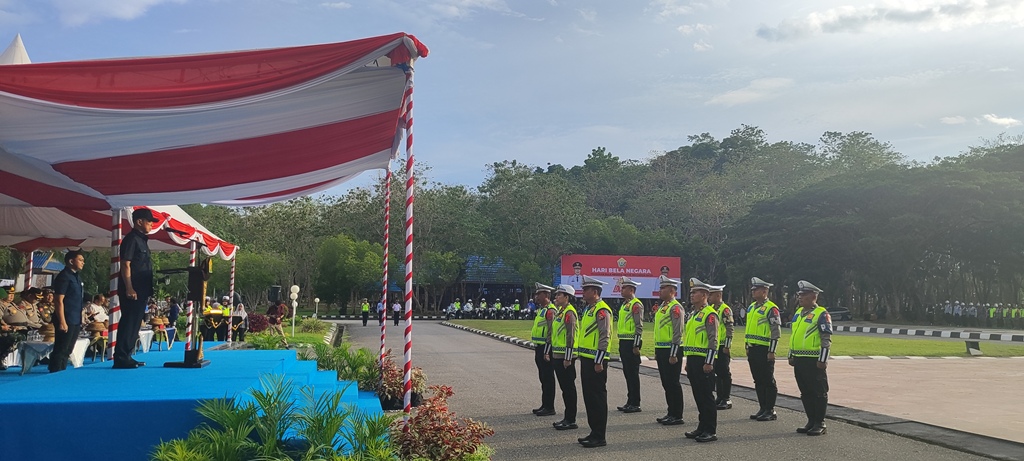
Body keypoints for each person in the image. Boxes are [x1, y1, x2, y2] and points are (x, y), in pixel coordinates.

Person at [114, 208, 158, 369]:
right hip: (133, 289)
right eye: (149, 221)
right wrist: (129, 287)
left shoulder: (142, 240)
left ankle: (127, 355)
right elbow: (125, 264)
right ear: (139, 221)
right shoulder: (132, 239)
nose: (152, 225)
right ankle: (121, 357)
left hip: (142, 288)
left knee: (135, 323)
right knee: (129, 321)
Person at [789, 280, 833, 436]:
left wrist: (823, 359)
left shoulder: (821, 314)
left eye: (804, 294)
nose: (800, 297)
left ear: (814, 296)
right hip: (799, 358)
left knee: (818, 392)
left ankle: (820, 422)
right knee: (805, 391)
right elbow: (794, 335)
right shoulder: (798, 313)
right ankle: (811, 420)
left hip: (813, 360)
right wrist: (791, 354)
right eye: (799, 294)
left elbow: (826, 338)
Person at [683, 278, 719, 443]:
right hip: (693, 359)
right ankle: (702, 426)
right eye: (691, 292)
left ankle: (710, 430)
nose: (692, 295)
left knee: (706, 396)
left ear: (704, 295)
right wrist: (688, 361)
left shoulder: (710, 314)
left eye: (695, 292)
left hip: (704, 360)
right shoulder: (694, 314)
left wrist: (709, 362)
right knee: (698, 395)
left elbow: (713, 339)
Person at [576, 276, 611, 448]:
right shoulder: (589, 309)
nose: (583, 292)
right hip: (586, 358)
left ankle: (599, 435)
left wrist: (599, 361)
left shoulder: (602, 310)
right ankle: (593, 432)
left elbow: (605, 336)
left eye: (586, 290)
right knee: (589, 397)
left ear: (595, 292)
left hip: (596, 361)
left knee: (597, 397)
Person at [746, 277, 782, 421]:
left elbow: (775, 331)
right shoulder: (751, 307)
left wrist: (772, 351)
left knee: (767, 380)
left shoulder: (771, 308)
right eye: (753, 290)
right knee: (758, 380)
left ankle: (770, 409)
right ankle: (762, 407)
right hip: (753, 348)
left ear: (764, 291)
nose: (753, 292)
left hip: (765, 349)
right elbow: (749, 328)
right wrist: (747, 345)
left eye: (756, 290)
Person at [653, 275, 685, 426]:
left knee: (673, 383)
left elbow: (678, 332)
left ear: (672, 291)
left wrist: (673, 353)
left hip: (671, 350)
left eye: (663, 288)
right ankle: (670, 411)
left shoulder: (675, 307)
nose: (660, 290)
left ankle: (677, 414)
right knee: (666, 383)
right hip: (662, 349)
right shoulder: (662, 307)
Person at [546, 284, 578, 432]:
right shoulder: (561, 312)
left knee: (568, 389)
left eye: (559, 295)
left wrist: (568, 357)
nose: (556, 297)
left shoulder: (569, 313)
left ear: (567, 297)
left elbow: (571, 336)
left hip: (565, 357)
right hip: (557, 355)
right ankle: (567, 418)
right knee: (565, 389)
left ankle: (571, 419)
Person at [49, 250, 85, 373]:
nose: (83, 263)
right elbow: (59, 300)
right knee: (61, 348)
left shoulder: (76, 276)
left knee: (68, 349)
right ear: (71, 261)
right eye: (80, 260)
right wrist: (62, 321)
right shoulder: (64, 277)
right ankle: (55, 371)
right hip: (66, 317)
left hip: (75, 318)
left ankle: (61, 370)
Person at [615, 276, 644, 414]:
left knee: (632, 373)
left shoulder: (636, 305)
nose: (621, 290)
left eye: (624, 288)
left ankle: (635, 402)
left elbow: (639, 326)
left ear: (631, 290)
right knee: (627, 372)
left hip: (632, 342)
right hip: (624, 341)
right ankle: (630, 401)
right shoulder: (625, 304)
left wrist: (636, 345)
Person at [530, 283, 558, 417]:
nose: (536, 297)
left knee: (548, 378)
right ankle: (544, 404)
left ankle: (549, 406)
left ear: (546, 295)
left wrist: (547, 351)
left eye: (539, 294)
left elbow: (551, 333)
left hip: (546, 349)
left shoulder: (551, 311)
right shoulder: (542, 310)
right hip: (539, 347)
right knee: (543, 378)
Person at [709, 284, 734, 410]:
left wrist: (727, 345)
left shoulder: (725, 310)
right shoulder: (712, 309)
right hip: (715, 346)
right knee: (717, 372)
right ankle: (719, 396)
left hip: (723, 345)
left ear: (718, 295)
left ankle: (726, 398)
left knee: (724, 372)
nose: (709, 297)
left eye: (711, 294)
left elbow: (729, 328)